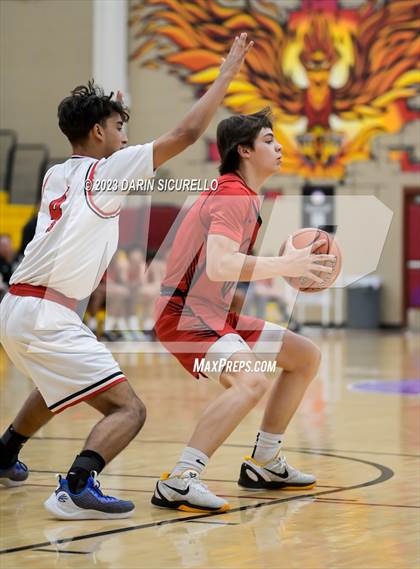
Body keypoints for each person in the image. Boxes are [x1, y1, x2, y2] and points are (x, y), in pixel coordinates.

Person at [0, 33, 253, 519]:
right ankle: (76, 486)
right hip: (47, 314)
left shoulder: (58, 174)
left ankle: (6, 453)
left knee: (58, 386)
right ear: (98, 133)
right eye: (119, 127)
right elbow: (185, 135)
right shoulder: (107, 172)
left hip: (16, 307)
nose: (126, 138)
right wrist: (225, 75)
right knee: (129, 409)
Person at [153, 108, 335, 512]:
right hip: (186, 314)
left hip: (212, 313)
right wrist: (287, 265)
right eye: (269, 140)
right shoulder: (234, 195)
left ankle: (265, 462)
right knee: (251, 382)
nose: (280, 146)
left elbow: (216, 268)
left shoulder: (243, 194)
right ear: (244, 151)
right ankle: (181, 479)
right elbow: (220, 264)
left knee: (304, 356)